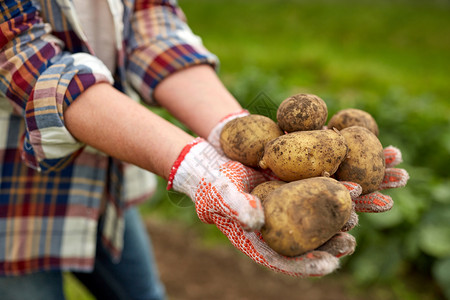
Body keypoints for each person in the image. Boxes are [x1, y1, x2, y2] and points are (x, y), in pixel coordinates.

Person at [0, 0, 409, 299]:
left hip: (105, 185)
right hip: (15, 202)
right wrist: (196, 166)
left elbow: (150, 21)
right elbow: (24, 57)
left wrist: (226, 128)